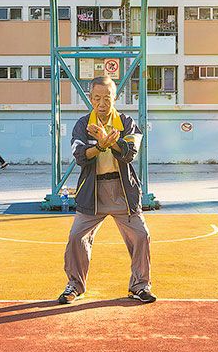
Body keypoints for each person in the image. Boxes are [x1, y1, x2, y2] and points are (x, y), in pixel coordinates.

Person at [57, 75, 156, 305]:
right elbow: (81, 156)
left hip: (123, 191)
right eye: (97, 98)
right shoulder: (83, 125)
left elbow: (130, 153)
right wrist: (101, 145)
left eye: (107, 98)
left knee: (141, 235)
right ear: (91, 99)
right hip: (93, 192)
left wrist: (111, 142)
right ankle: (74, 285)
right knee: (76, 238)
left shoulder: (127, 123)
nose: (102, 103)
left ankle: (140, 286)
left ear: (115, 98)